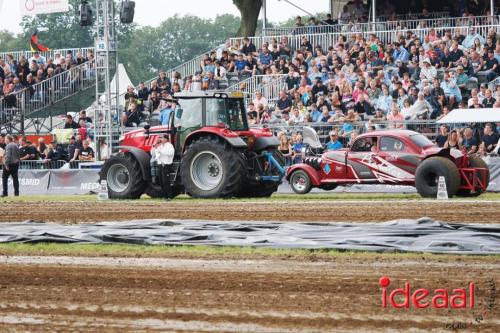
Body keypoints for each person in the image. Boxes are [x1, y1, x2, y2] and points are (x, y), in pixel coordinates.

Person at [155, 134, 175, 201]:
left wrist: (160, 151)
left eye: (162, 138)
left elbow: (170, 153)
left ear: (166, 139)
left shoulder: (170, 146)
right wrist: (155, 146)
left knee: (166, 181)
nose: (161, 139)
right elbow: (154, 153)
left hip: (166, 165)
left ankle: (169, 196)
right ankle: (165, 196)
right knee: (161, 181)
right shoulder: (160, 146)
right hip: (160, 165)